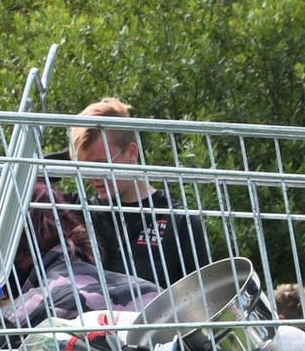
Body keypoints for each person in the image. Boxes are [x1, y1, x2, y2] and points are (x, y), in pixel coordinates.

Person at [69, 98, 216, 289]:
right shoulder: (78, 214)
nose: (95, 177)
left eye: (101, 164)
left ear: (131, 152)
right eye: (85, 168)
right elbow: (31, 183)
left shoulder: (180, 222)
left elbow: (202, 300)